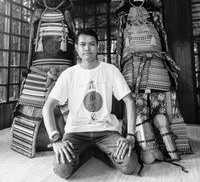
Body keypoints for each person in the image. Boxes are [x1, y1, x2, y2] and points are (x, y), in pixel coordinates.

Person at [42, 28, 140, 179]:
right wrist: (55, 139)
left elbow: (129, 101)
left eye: (91, 44)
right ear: (76, 48)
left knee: (129, 165)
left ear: (97, 46)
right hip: (76, 132)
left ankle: (97, 152)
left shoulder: (110, 70)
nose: (87, 48)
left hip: (106, 131)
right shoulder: (69, 74)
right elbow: (48, 107)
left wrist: (131, 135)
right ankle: (90, 152)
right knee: (62, 170)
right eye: (82, 44)